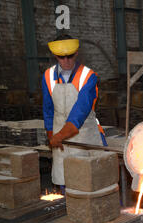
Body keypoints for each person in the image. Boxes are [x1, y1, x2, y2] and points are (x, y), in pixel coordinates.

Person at [42, 34, 107, 192]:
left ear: (76, 53)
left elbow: (80, 112)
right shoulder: (48, 76)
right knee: (64, 179)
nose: (66, 61)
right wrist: (51, 135)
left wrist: (58, 136)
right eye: (61, 57)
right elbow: (48, 109)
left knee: (91, 182)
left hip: (85, 136)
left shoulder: (88, 76)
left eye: (69, 56)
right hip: (60, 138)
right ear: (55, 56)